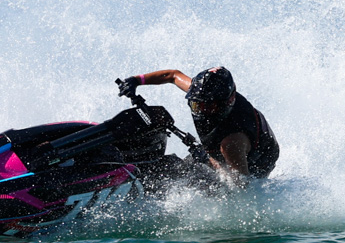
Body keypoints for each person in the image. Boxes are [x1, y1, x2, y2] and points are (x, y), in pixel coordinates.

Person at [118, 67, 279, 181]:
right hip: (233, 149)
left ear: (225, 104)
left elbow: (241, 186)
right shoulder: (202, 94)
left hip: (256, 162)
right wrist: (136, 80)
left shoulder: (232, 141)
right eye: (196, 104)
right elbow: (172, 75)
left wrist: (208, 159)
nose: (200, 111)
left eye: (206, 107)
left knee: (196, 181)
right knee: (180, 168)